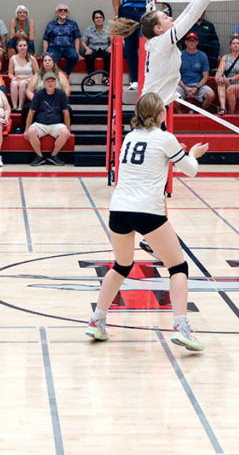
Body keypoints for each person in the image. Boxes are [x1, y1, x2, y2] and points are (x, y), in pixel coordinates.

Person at [85, 92, 209, 350]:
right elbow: (191, 169)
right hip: (146, 211)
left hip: (119, 209)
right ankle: (181, 326)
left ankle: (97, 320)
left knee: (121, 265)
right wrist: (194, 153)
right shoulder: (166, 138)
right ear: (161, 114)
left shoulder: (129, 137)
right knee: (178, 267)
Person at [108, 0, 229, 105]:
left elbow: (189, 10)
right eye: (165, 17)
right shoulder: (162, 42)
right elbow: (192, 15)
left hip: (153, 106)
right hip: (151, 109)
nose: (171, 17)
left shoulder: (161, 39)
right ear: (158, 28)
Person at [25, 72, 71, 166]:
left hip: (56, 124)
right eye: (48, 81)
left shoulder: (61, 94)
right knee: (31, 131)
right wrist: (26, 129)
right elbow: (31, 112)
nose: (50, 83)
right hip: (40, 124)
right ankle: (39, 156)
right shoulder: (38, 94)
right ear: (44, 83)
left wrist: (68, 128)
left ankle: (54, 156)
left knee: (65, 133)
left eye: (52, 81)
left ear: (56, 83)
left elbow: (66, 113)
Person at [175, 32, 214, 108]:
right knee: (171, 95)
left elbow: (205, 76)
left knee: (211, 94)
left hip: (198, 85)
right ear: (186, 42)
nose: (192, 43)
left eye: (194, 41)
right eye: (189, 40)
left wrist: (197, 88)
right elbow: (177, 76)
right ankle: (181, 114)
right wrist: (186, 89)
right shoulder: (179, 55)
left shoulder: (202, 56)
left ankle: (201, 112)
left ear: (197, 42)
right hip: (183, 85)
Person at [215, 36, 239, 115]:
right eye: (233, 43)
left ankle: (231, 113)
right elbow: (220, 70)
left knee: (230, 89)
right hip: (227, 82)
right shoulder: (225, 57)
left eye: (237, 43)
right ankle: (223, 108)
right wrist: (218, 78)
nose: (235, 45)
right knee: (221, 83)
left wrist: (229, 80)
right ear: (230, 46)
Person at [42, 3, 82, 75]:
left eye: (65, 10)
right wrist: (45, 53)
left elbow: (76, 39)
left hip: (69, 48)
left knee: (74, 56)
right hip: (54, 48)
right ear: (57, 13)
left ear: (68, 13)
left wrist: (77, 52)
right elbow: (45, 39)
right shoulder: (51, 24)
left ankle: (65, 73)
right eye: (60, 10)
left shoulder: (73, 24)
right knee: (50, 60)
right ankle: (53, 76)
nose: (63, 12)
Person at [7, 38, 38, 111]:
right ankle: (14, 106)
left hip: (29, 80)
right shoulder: (13, 58)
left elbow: (37, 74)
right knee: (14, 83)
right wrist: (13, 78)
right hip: (18, 79)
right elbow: (10, 73)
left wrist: (31, 79)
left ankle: (20, 106)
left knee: (23, 83)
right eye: (20, 46)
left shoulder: (32, 59)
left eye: (24, 45)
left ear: (27, 46)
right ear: (17, 47)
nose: (22, 47)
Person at [81, 9, 111, 74]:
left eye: (100, 17)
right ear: (93, 20)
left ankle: (105, 76)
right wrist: (87, 49)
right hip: (93, 48)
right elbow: (83, 41)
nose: (99, 19)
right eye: (96, 18)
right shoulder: (89, 29)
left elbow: (113, 40)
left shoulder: (108, 29)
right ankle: (91, 77)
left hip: (104, 49)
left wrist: (110, 47)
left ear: (103, 19)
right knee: (89, 55)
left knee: (109, 55)